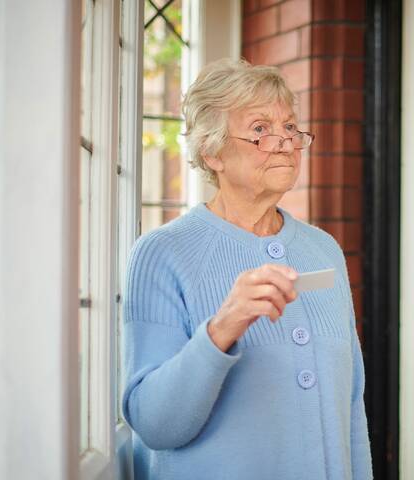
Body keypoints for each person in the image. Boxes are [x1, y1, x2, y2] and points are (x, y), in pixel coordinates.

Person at [122, 59, 372, 480]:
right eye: (260, 130)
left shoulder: (323, 250)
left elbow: (351, 407)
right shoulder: (161, 253)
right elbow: (154, 424)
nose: (284, 143)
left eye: (290, 128)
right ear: (213, 152)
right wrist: (222, 328)